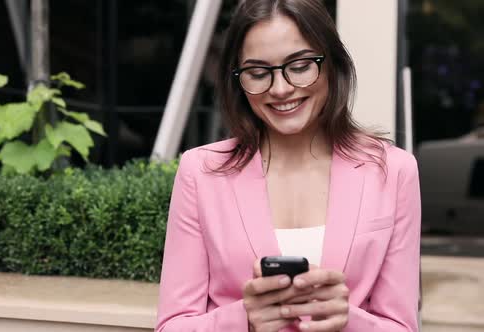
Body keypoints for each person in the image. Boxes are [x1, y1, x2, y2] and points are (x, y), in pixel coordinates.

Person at [156, 0, 421, 331]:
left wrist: (348, 321)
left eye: (299, 66)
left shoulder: (394, 171)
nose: (280, 89)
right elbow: (171, 326)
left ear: (331, 64)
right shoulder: (201, 170)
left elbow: (403, 326)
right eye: (257, 72)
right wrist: (244, 320)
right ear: (238, 79)